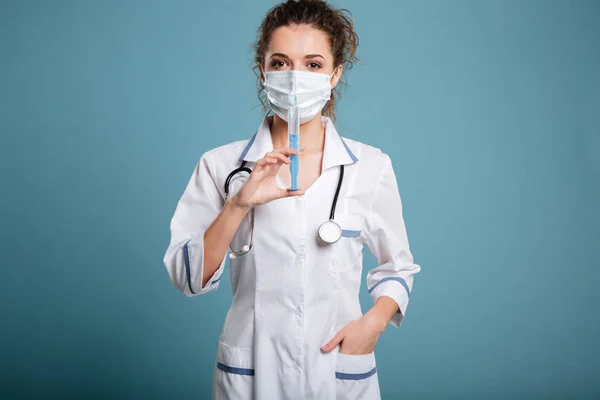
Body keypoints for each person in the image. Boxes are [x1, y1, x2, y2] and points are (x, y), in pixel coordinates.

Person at [162, 1, 421, 398]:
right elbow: (186, 277)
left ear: (335, 75)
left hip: (336, 371)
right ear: (263, 72)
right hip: (250, 373)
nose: (295, 77)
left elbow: (398, 267)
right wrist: (239, 204)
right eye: (281, 63)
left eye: (313, 64)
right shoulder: (221, 165)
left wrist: (373, 324)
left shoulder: (370, 166)